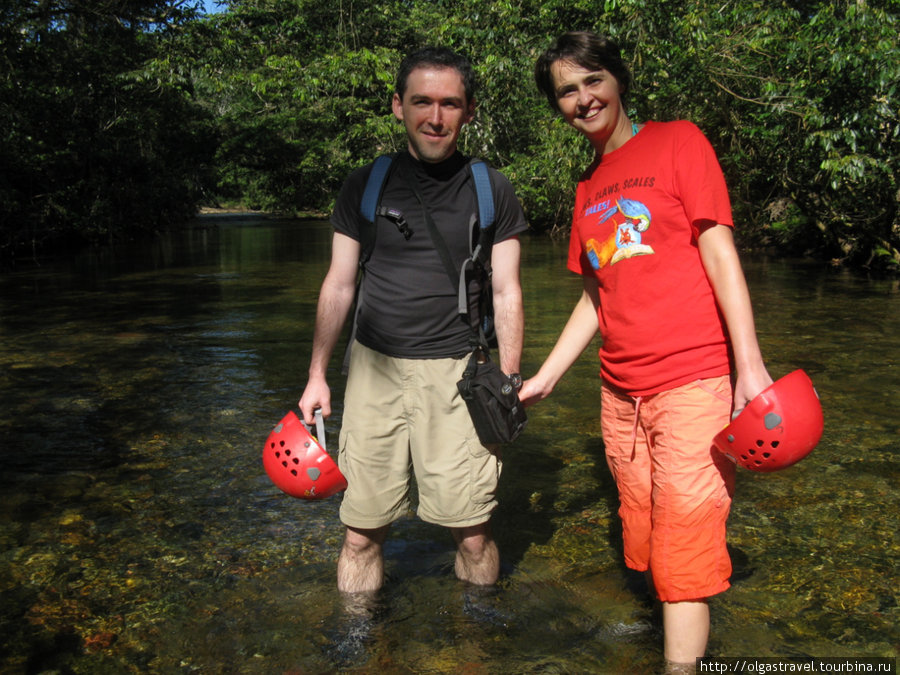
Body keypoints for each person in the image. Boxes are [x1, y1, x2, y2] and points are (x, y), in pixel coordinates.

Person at [523, 31, 773, 671]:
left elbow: (719, 253)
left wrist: (750, 368)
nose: (583, 99)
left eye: (592, 81)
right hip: (620, 394)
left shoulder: (678, 141)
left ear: (618, 80)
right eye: (567, 91)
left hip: (694, 380)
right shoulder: (585, 191)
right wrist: (545, 378)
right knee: (644, 532)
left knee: (685, 545)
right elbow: (596, 300)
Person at [298, 46, 527, 594]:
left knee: (471, 533)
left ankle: (477, 639)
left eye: (450, 103)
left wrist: (509, 381)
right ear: (397, 106)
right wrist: (316, 376)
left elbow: (507, 288)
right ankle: (359, 638)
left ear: (469, 112)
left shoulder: (491, 189)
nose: (435, 116)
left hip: (458, 378)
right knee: (360, 533)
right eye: (422, 101)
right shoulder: (364, 184)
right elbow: (339, 283)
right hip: (374, 372)